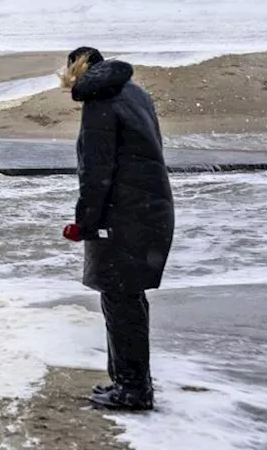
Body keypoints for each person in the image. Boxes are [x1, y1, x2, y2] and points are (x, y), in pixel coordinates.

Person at [60, 46, 174, 412]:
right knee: (129, 297)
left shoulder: (100, 102)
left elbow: (96, 171)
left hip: (123, 215)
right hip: (149, 208)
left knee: (120, 298)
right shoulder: (135, 93)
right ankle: (131, 382)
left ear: (77, 71)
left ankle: (133, 390)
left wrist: (84, 223)